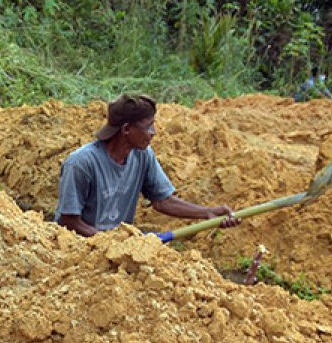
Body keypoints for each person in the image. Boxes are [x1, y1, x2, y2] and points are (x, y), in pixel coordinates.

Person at [55, 93, 241, 237]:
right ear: (127, 129)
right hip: (80, 251)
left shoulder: (142, 155)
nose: (154, 132)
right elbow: (69, 221)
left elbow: (163, 201)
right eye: (148, 126)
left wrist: (207, 213)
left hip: (115, 250)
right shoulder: (80, 164)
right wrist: (108, 243)